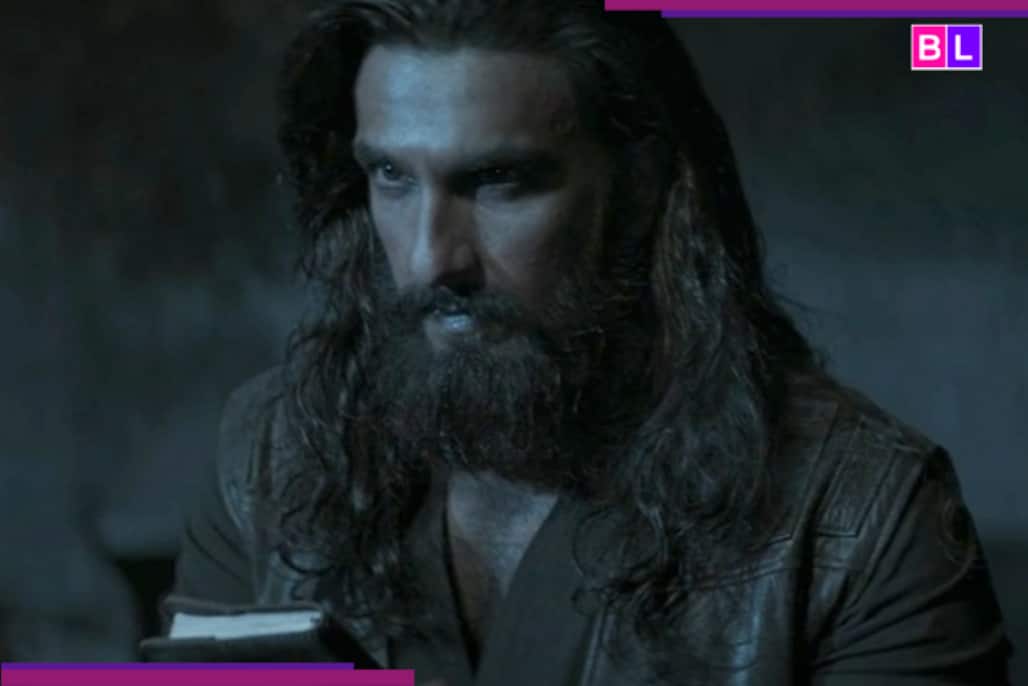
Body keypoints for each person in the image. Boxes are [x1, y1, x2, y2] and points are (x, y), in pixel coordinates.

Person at [163, 1, 1013, 683]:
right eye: (391, 176)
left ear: (640, 183)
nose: (428, 261)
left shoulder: (859, 518)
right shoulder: (268, 457)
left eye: (497, 182)